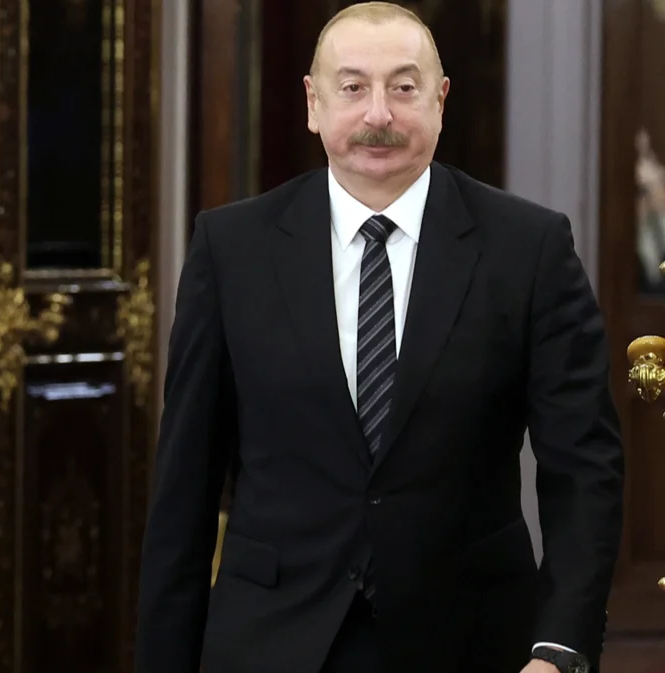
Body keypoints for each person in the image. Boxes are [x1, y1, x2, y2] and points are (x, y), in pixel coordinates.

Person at [135, 4, 623, 673]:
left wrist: (561, 649)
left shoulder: (528, 248)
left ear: (440, 100)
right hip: (270, 641)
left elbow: (584, 467)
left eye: (403, 87)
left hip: (471, 642)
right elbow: (184, 486)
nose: (378, 114)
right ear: (313, 103)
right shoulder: (231, 249)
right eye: (353, 87)